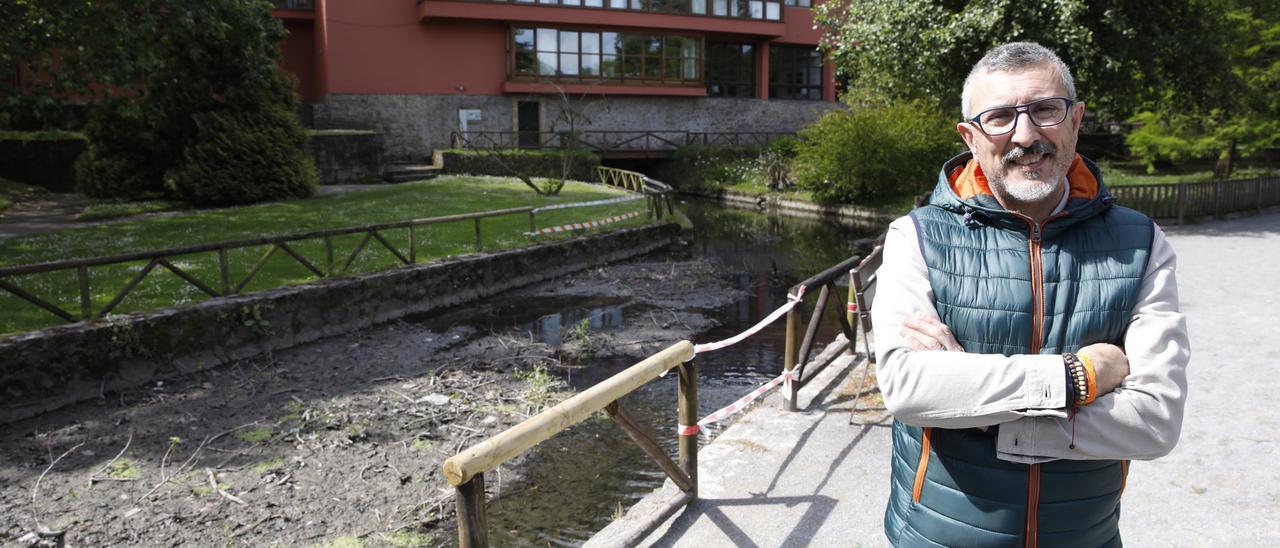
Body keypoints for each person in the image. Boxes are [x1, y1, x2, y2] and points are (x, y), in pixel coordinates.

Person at [871, 42, 1190, 547]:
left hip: (1083, 537)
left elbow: (1155, 423)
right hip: (936, 538)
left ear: (1076, 120)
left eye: (1045, 109)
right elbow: (908, 389)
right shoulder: (916, 237)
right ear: (971, 138)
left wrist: (975, 411)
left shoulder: (1142, 243)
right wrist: (1080, 377)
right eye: (998, 117)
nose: (1025, 134)